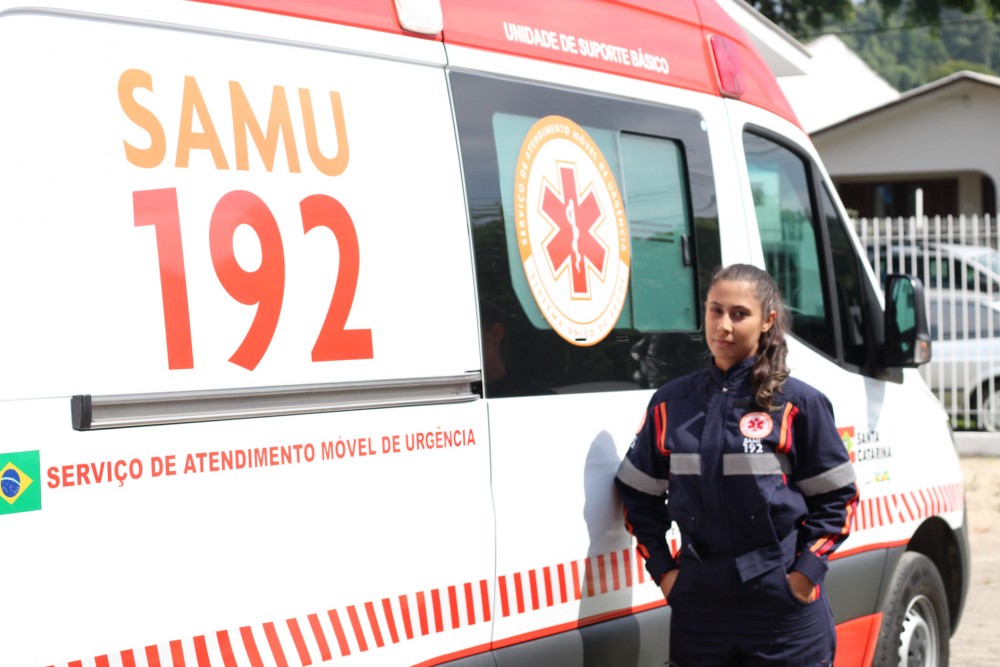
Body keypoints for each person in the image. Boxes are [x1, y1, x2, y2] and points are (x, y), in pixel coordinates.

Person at [614, 263, 859, 667]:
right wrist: (666, 573)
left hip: (782, 610)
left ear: (768, 321)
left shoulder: (799, 404)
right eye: (715, 310)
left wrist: (803, 575)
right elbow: (637, 495)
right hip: (700, 609)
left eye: (739, 314)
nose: (723, 325)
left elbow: (838, 498)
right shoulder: (670, 404)